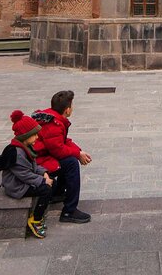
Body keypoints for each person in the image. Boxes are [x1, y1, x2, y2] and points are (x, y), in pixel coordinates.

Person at [31, 90, 92, 224]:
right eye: (72, 105)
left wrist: (79, 152)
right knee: (70, 163)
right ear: (67, 109)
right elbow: (58, 150)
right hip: (36, 163)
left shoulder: (51, 117)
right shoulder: (53, 124)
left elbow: (62, 142)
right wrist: (77, 155)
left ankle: (58, 193)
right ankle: (69, 211)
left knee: (68, 159)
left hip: (40, 157)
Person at [0, 110, 56, 239]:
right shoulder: (17, 153)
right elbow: (24, 174)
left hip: (23, 181)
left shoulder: (25, 147)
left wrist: (44, 173)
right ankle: (35, 219)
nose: (37, 137)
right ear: (25, 136)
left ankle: (38, 215)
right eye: (34, 135)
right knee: (45, 190)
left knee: (52, 180)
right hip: (17, 186)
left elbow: (34, 166)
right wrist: (42, 181)